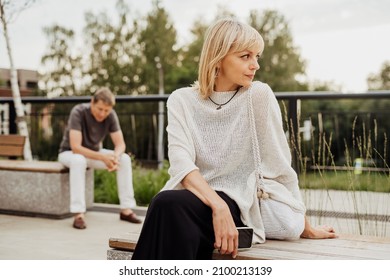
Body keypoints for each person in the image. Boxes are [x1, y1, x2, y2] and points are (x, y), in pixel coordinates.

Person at [132, 18, 336, 260]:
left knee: (167, 206)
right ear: (218, 57)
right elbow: (181, 165)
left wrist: (306, 226)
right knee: (166, 204)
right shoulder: (181, 100)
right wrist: (217, 205)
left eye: (257, 56)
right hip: (202, 199)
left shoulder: (258, 95)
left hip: (242, 204)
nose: (255, 65)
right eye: (245, 56)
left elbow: (280, 167)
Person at [58, 87, 142, 229]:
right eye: (100, 109)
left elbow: (120, 144)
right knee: (79, 160)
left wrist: (115, 157)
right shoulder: (78, 112)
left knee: (125, 159)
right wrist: (103, 157)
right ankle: (78, 214)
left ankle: (126, 210)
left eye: (106, 110)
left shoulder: (111, 115)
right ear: (92, 102)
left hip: (94, 153)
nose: (103, 114)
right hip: (69, 153)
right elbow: (76, 147)